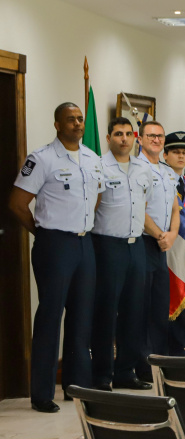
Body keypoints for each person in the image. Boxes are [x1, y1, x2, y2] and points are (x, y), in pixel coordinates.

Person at [9, 103, 104, 412]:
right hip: (55, 244)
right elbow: (18, 203)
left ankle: (76, 386)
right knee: (50, 317)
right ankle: (42, 393)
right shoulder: (42, 159)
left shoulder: (92, 157)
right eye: (71, 120)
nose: (77, 124)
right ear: (57, 125)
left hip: (84, 244)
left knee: (82, 317)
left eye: (80, 119)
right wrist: (42, 232)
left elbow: (97, 194)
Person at [90, 117, 152, 391]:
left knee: (134, 311)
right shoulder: (99, 167)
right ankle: (103, 374)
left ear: (135, 137)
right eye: (118, 134)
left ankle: (126, 372)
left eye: (128, 134)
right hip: (107, 247)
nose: (124, 139)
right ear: (108, 138)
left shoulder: (143, 168)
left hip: (136, 246)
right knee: (106, 312)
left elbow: (144, 203)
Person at [136, 121, 182, 381]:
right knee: (141, 308)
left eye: (160, 136)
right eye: (151, 135)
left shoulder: (166, 171)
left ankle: (160, 364)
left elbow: (175, 208)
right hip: (144, 242)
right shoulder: (134, 169)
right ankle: (143, 368)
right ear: (139, 139)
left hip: (163, 244)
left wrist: (172, 234)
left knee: (159, 308)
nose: (156, 139)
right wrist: (158, 234)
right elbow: (136, 208)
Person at [163, 131, 185, 356]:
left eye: (184, 152)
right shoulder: (162, 181)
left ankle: (179, 344)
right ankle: (168, 345)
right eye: (175, 152)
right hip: (166, 247)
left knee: (184, 295)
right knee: (167, 298)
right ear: (165, 155)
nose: (181, 156)